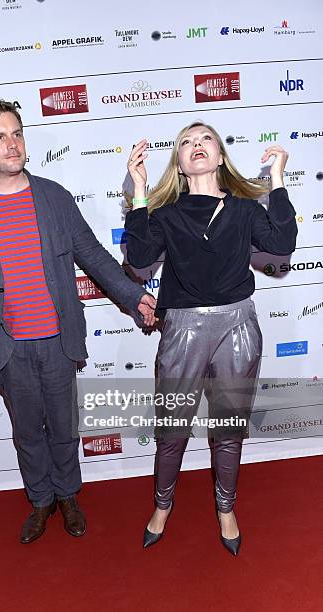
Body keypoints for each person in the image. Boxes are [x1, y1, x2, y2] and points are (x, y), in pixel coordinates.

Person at [0, 100, 156, 544]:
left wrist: (135, 296)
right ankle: (40, 499)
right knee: (27, 433)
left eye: (17, 133)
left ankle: (67, 496)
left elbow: (95, 256)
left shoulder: (54, 197)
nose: (12, 143)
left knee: (64, 427)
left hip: (59, 341)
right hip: (8, 347)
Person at [124, 121, 297, 555]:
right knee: (172, 427)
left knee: (228, 426)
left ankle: (226, 508)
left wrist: (277, 178)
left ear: (220, 156)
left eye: (205, 140)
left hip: (239, 325)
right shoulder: (165, 214)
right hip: (183, 327)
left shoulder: (243, 210)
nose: (195, 146)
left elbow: (283, 241)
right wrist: (140, 192)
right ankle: (162, 506)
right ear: (180, 164)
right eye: (186, 143)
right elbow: (140, 255)